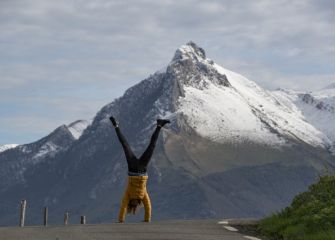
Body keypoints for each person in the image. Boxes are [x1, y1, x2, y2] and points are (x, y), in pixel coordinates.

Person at [109, 116, 170, 223]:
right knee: (125, 145)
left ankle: (159, 126)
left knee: (152, 146)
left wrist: (147, 219)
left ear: (136, 205)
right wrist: (121, 219)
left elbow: (148, 208)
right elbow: (123, 207)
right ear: (130, 204)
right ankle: (116, 126)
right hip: (133, 169)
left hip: (142, 169)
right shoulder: (128, 194)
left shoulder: (143, 195)